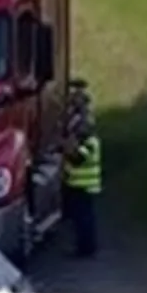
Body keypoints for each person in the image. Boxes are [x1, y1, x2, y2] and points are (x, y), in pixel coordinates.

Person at [62, 110, 101, 258]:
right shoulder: (86, 142)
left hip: (85, 187)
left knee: (84, 221)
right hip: (77, 186)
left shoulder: (90, 143)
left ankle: (86, 249)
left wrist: (68, 149)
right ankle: (83, 247)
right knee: (80, 220)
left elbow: (77, 159)